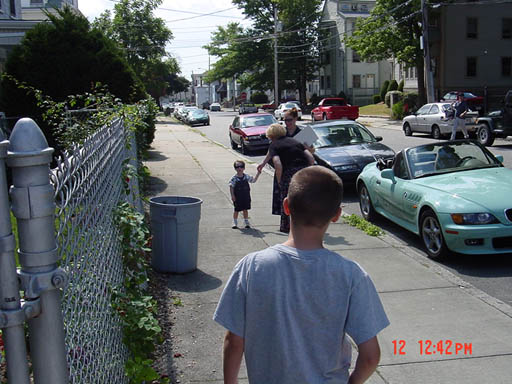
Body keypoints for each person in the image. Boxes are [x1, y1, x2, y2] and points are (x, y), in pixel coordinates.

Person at [214, 166, 390, 384]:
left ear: (286, 206)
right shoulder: (351, 275)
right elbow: (371, 356)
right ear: (336, 215)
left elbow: (234, 341)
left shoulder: (251, 267)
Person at [256, 107, 313, 220]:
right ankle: (287, 219)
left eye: (289, 120)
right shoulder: (281, 132)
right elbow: (272, 149)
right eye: (285, 120)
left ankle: (300, 220)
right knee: (283, 194)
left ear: (296, 119)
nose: (287, 122)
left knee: (300, 195)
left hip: (298, 167)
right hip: (283, 168)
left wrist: (305, 148)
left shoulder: (303, 132)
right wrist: (263, 163)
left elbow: (312, 150)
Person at [265, 123, 315, 233]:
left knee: (286, 200)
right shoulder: (295, 141)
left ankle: (286, 226)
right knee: (303, 199)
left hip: (289, 174)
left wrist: (279, 180)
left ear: (272, 136)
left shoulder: (275, 145)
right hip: (303, 172)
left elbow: (278, 164)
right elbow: (311, 158)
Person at [229, 160, 261, 229]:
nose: (239, 168)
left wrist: (258, 173)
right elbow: (231, 187)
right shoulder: (234, 178)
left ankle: (246, 221)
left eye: (241, 166)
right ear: (235, 168)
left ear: (244, 168)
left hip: (246, 196)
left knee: (245, 209)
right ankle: (234, 222)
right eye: (237, 167)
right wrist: (232, 195)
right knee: (236, 210)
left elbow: (253, 180)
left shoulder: (246, 177)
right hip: (238, 197)